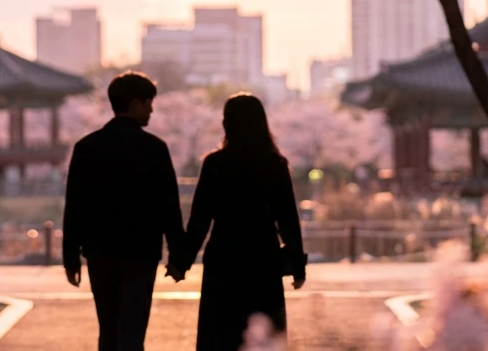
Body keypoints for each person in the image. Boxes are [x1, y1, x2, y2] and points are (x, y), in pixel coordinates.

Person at [62, 71, 186, 351]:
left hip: (99, 250)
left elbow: (75, 206)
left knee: (108, 329)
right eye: (148, 103)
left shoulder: (87, 147)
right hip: (141, 252)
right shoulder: (154, 149)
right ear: (134, 104)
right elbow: (169, 207)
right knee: (133, 329)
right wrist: (178, 256)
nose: (152, 109)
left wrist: (70, 257)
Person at [172, 93, 306, 351]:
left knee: (221, 333)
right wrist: (297, 265)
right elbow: (288, 218)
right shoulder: (274, 164)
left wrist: (181, 262)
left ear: (227, 124)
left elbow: (200, 219)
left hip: (224, 257)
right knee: (263, 332)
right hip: (263, 258)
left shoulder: (215, 164)